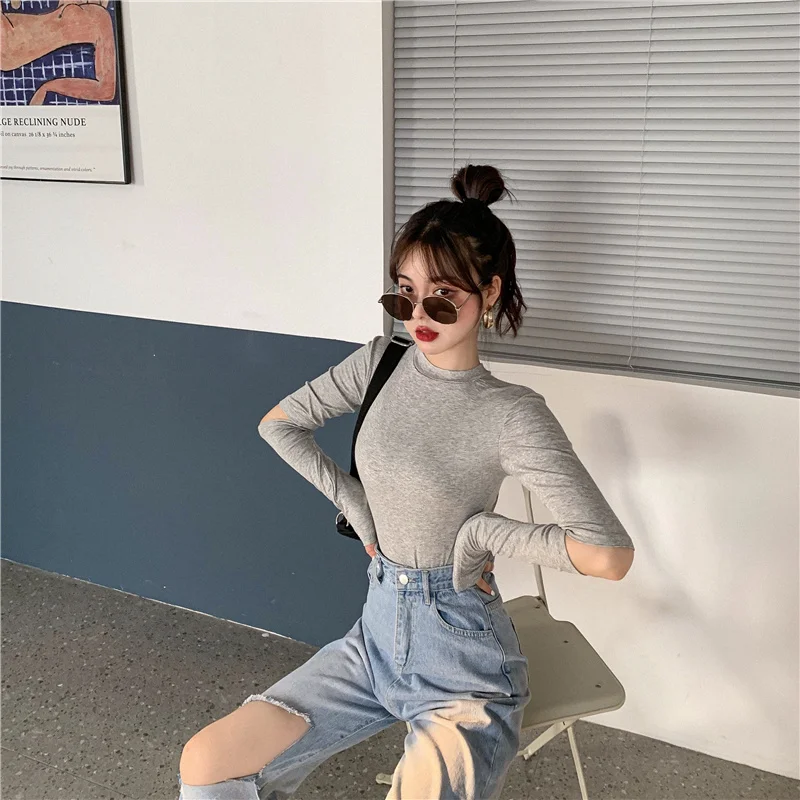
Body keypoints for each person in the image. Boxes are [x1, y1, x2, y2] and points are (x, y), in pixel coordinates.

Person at [177, 164, 636, 800]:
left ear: (490, 292)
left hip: (465, 664)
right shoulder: (380, 363)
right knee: (207, 764)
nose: (419, 314)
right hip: (375, 639)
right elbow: (279, 425)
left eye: (443, 296)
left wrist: (482, 532)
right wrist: (354, 501)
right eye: (404, 294)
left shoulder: (511, 413)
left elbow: (609, 556)